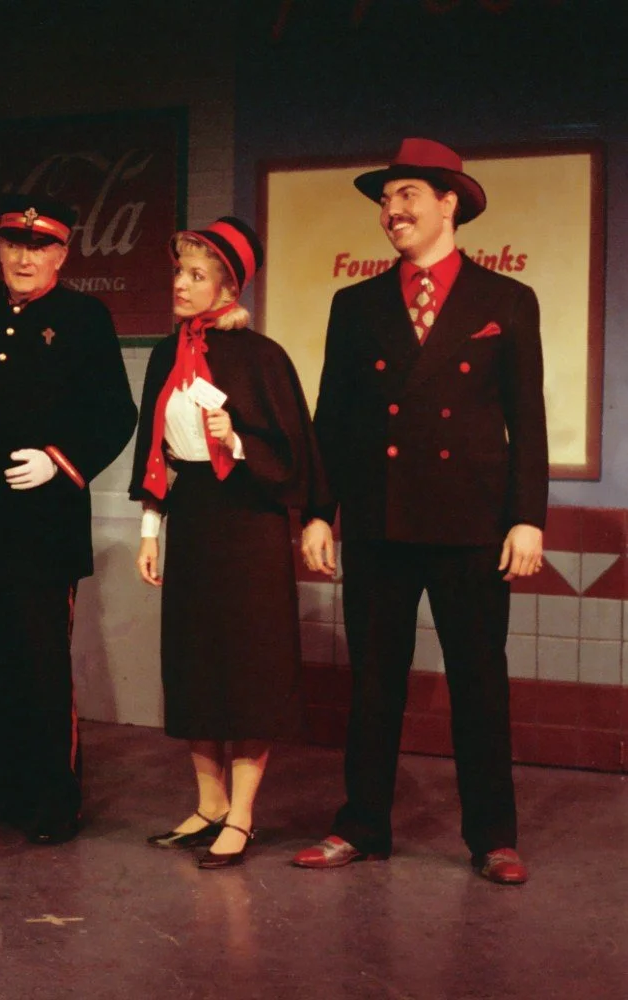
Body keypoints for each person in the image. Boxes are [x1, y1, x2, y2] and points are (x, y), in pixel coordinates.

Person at [293, 138, 547, 885]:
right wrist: (317, 512)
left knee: (478, 680)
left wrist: (525, 517)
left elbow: (525, 419)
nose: (390, 210)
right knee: (373, 680)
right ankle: (361, 826)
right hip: (378, 519)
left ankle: (492, 837)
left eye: (405, 195)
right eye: (383, 198)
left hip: (471, 524)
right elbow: (329, 419)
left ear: (448, 203)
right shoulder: (356, 303)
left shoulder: (504, 299)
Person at [0, 193, 137, 846]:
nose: (23, 255)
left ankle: (53, 800)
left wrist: (59, 460)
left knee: (40, 671)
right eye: (12, 242)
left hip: (41, 528)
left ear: (62, 253)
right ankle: (3, 788)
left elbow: (115, 414)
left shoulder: (83, 316)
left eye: (38, 245)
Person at [129, 217, 318, 868]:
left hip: (248, 522)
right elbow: (152, 447)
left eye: (195, 275)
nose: (179, 285)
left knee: (246, 667)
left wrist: (235, 439)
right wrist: (151, 528)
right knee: (193, 662)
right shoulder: (165, 354)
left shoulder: (261, 357)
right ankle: (207, 804)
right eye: (178, 271)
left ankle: (241, 814)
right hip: (193, 516)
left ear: (226, 286)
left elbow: (295, 457)